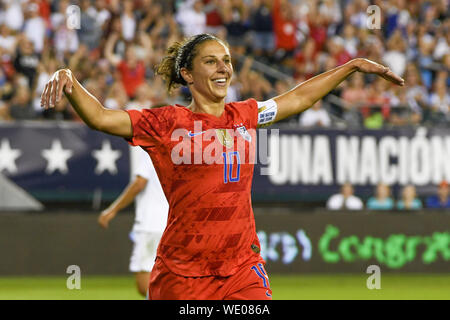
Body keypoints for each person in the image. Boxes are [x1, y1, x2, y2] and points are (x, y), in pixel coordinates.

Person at [40, 33, 404, 300]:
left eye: (227, 60)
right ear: (187, 74)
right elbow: (102, 118)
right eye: (211, 61)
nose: (223, 68)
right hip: (182, 276)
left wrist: (351, 66)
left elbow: (298, 98)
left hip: (242, 269)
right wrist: (69, 81)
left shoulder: (246, 114)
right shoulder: (165, 123)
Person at [98, 145, 168, 297]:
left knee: (145, 284)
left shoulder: (151, 150)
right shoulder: (175, 150)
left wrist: (112, 210)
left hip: (152, 224)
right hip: (171, 224)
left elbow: (139, 182)